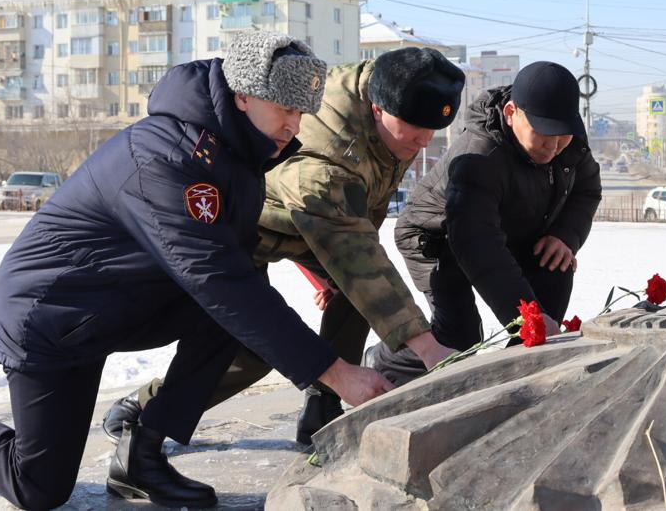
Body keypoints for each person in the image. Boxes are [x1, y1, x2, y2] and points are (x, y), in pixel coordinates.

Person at [0, 31, 391, 510]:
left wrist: (320, 272)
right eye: (286, 110)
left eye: (302, 113)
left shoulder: (237, 157)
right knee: (38, 488)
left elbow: (235, 270)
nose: (295, 126)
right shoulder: (164, 157)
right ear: (243, 96)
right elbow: (216, 277)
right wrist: (334, 371)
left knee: (235, 310)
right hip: (52, 315)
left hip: (121, 301)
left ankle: (141, 453)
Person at [101, 46, 466, 446]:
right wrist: (426, 346)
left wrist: (332, 269)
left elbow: (361, 223)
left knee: (361, 292)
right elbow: (346, 237)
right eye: (415, 128)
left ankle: (324, 404)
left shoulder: (394, 102)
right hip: (244, 225)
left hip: (315, 222)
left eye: (433, 130)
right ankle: (149, 408)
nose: (425, 140)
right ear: (378, 109)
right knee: (258, 346)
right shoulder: (326, 151)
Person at [366, 61, 602, 386]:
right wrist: (524, 317)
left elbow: (587, 190)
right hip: (439, 235)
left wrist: (566, 235)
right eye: (543, 135)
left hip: (505, 233)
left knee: (553, 270)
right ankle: (385, 361)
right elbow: (477, 243)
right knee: (459, 339)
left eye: (562, 136)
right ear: (510, 112)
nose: (554, 146)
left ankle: (519, 384)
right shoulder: (479, 156)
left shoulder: (569, 143)